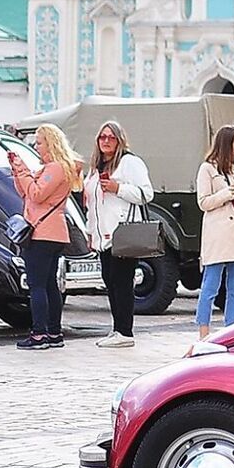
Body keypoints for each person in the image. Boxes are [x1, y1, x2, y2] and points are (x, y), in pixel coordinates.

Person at [9, 124, 83, 350]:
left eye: (39, 142)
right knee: (49, 284)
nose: (35, 146)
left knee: (37, 285)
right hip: (52, 232)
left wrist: (22, 170)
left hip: (44, 233)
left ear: (51, 143)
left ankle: (40, 333)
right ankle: (53, 332)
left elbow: (36, 194)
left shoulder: (56, 168)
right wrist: (17, 170)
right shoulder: (51, 168)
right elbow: (24, 192)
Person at [81, 120, 154, 347]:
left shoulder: (129, 163)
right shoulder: (96, 167)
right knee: (110, 281)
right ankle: (117, 329)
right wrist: (89, 231)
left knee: (122, 283)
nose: (105, 141)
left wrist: (118, 188)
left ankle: (125, 331)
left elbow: (146, 194)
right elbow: (92, 203)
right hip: (103, 236)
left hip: (123, 232)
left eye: (110, 137)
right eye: (102, 137)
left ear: (119, 140)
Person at [194, 125, 234, 340]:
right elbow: (203, 202)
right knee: (210, 286)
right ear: (226, 144)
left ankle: (231, 331)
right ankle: (203, 333)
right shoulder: (208, 169)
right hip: (219, 234)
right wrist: (228, 193)